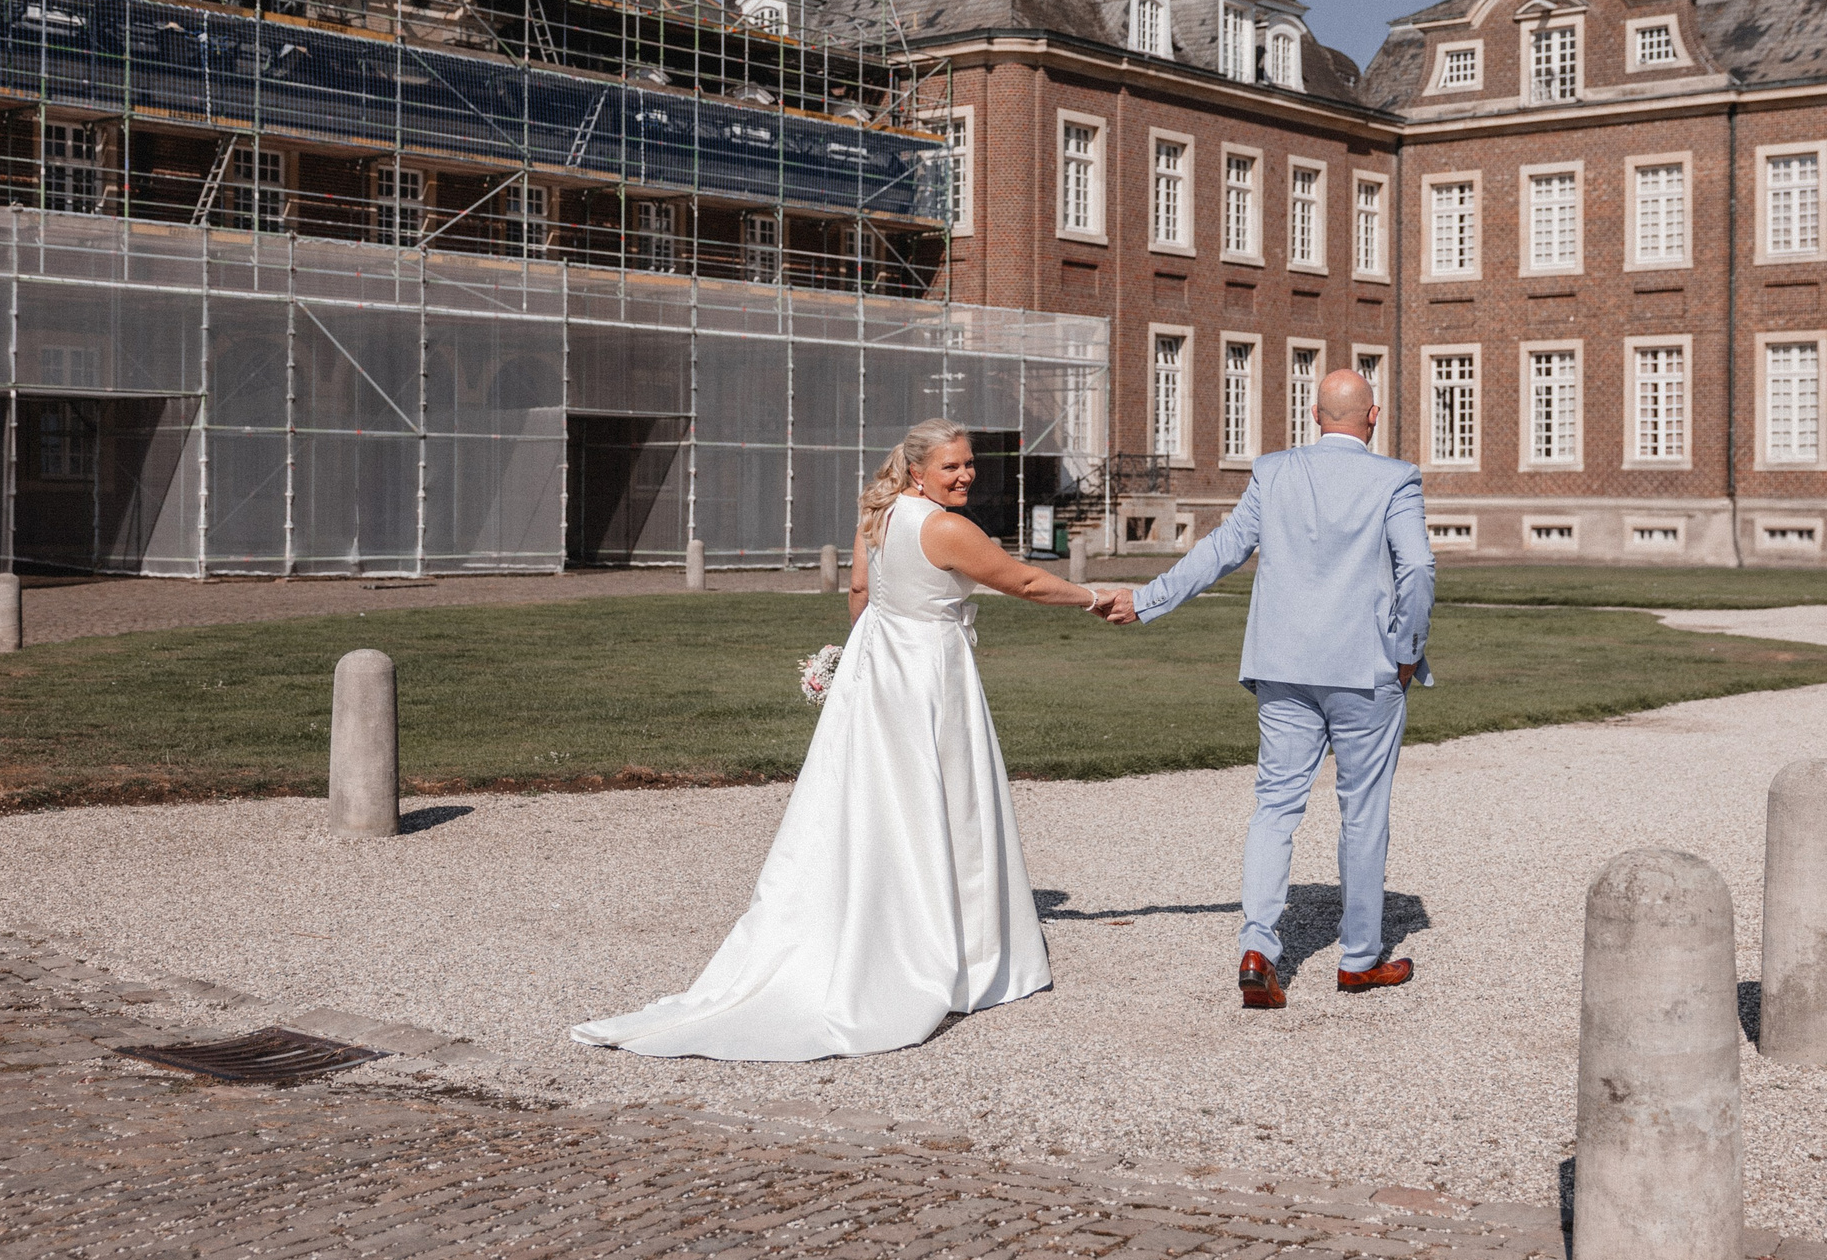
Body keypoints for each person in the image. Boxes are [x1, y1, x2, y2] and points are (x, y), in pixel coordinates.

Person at [572, 418, 1110, 1060]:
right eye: (951, 467)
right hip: (928, 676)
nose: (965, 474)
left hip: (879, 669)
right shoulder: (943, 527)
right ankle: (940, 945)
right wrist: (1098, 596)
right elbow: (1023, 582)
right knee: (941, 799)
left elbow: (861, 593)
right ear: (919, 471)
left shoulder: (878, 516)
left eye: (969, 464)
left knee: (868, 802)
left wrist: (862, 664)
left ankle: (867, 915)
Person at [1105, 369, 1433, 1011]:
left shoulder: (1274, 470)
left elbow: (1223, 548)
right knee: (1362, 811)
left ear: (1314, 415)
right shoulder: (1396, 477)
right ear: (1374, 416)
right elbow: (1418, 566)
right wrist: (1406, 651)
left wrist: (1146, 600)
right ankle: (1360, 960)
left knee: (1276, 806)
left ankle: (1257, 949)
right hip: (1365, 671)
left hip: (1282, 665)